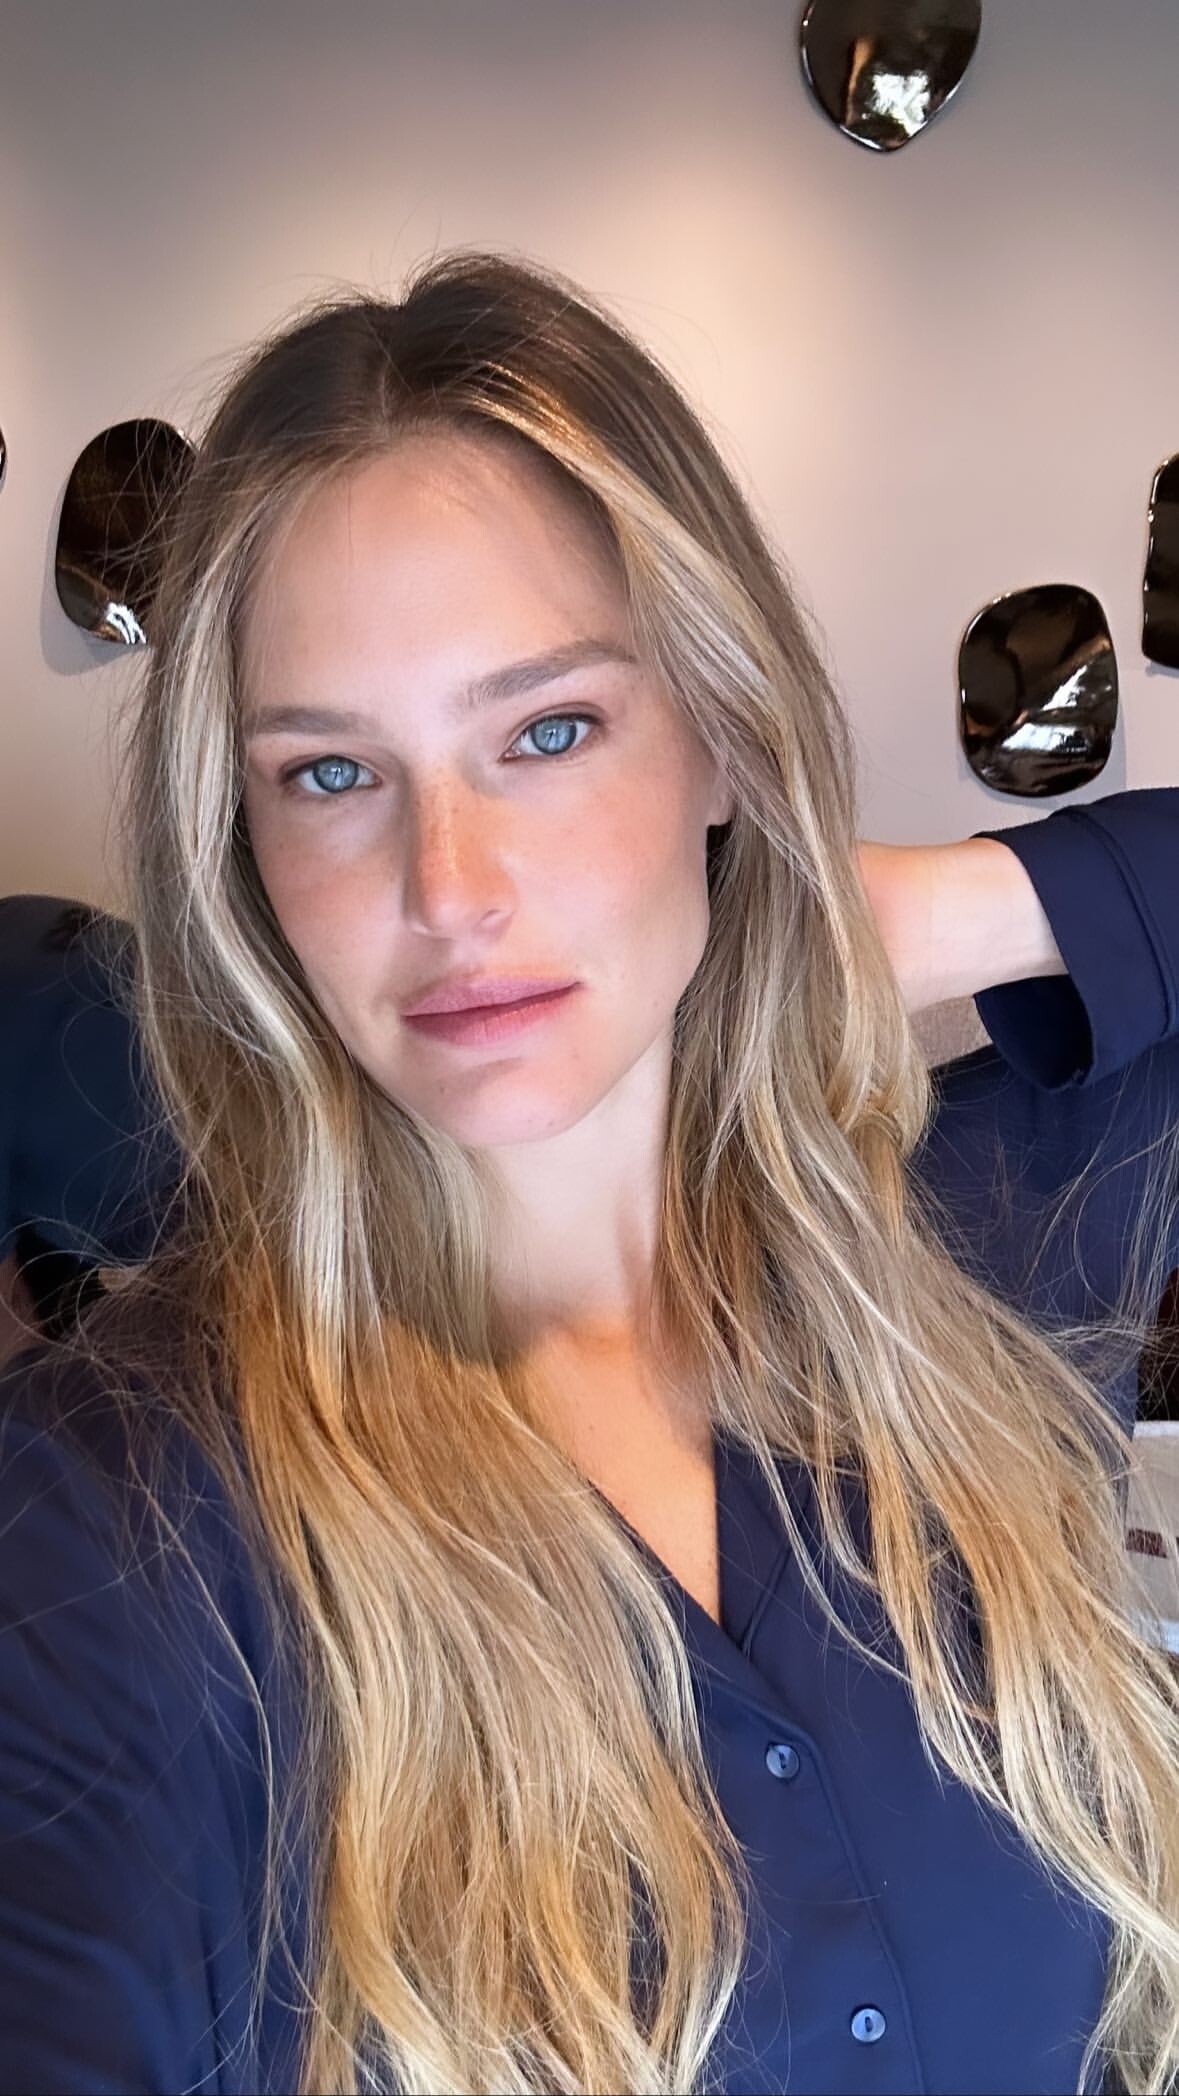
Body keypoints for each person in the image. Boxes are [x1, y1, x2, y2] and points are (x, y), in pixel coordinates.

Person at [0, 249, 1177, 2096]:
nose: (449, 891)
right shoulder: (116, 1519)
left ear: (721, 740)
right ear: (241, 850)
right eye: (330, 775)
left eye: (548, 732)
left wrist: (903, 907)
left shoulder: (978, 1263)